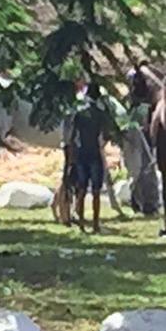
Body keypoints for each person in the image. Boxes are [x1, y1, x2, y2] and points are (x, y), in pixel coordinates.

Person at [71, 83, 107, 233]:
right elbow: (104, 135)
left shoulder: (79, 113)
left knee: (81, 190)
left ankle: (80, 223)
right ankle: (96, 224)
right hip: (94, 154)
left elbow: (73, 136)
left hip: (81, 153)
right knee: (96, 191)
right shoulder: (100, 113)